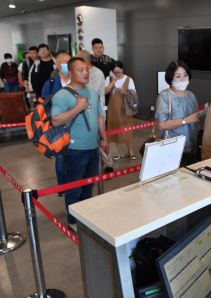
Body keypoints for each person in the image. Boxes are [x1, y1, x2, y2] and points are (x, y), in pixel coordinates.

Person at [51, 57, 109, 231]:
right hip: (74, 150)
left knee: (88, 185)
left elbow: (99, 116)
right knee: (74, 187)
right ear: (71, 72)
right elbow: (55, 121)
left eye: (86, 69)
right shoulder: (62, 95)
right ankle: (73, 220)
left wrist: (104, 138)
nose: (85, 73)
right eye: (80, 70)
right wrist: (77, 107)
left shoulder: (91, 91)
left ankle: (84, 216)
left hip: (93, 148)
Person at [155, 60, 199, 167]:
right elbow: (162, 124)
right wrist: (185, 120)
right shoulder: (165, 96)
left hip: (191, 146)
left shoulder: (191, 96)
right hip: (172, 149)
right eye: (178, 76)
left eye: (185, 75)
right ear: (171, 78)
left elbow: (196, 119)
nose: (183, 79)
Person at [41, 51, 71, 196]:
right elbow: (42, 105)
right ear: (58, 65)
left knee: (75, 157)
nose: (68, 65)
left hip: (75, 126)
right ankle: (62, 188)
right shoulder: (51, 83)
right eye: (65, 62)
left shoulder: (76, 80)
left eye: (70, 61)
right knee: (60, 159)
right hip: (58, 128)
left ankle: (76, 185)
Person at [105, 61, 137, 160]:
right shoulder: (109, 78)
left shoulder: (129, 79)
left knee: (127, 129)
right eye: (115, 73)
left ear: (122, 69)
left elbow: (134, 94)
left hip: (125, 108)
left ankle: (130, 150)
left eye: (119, 72)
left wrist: (126, 92)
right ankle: (119, 152)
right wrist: (113, 82)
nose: (117, 75)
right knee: (116, 129)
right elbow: (105, 91)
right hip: (113, 109)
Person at [76, 50, 106, 117]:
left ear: (84, 61)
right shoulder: (82, 73)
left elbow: (88, 93)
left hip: (97, 114)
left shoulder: (97, 74)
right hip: (85, 112)